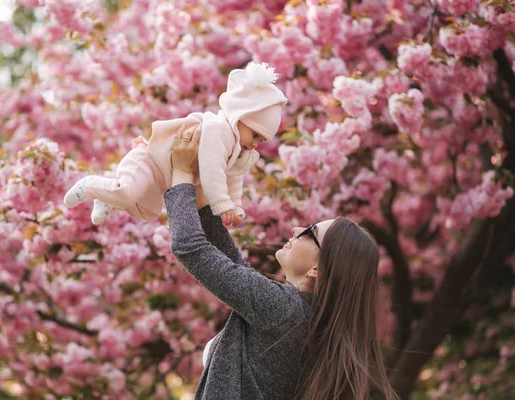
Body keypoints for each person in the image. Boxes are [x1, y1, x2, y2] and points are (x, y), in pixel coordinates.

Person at [165, 128, 399, 399]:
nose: (296, 229)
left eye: (309, 233)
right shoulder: (311, 323)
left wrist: (180, 175)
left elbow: (190, 248)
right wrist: (200, 190)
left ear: (318, 270)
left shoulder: (283, 310)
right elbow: (233, 265)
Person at [63, 62, 288, 227]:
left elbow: (234, 177)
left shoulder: (238, 150)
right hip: (149, 162)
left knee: (148, 212)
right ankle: (90, 184)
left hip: (162, 181)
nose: (255, 144)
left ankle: (109, 199)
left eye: (262, 140)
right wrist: (223, 204)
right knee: (129, 193)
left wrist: (236, 206)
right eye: (255, 134)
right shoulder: (218, 129)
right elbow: (212, 172)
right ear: (240, 117)